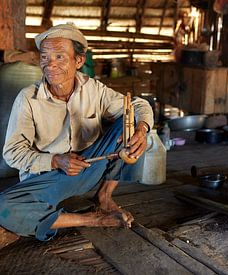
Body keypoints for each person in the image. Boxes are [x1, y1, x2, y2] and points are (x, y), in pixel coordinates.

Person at [0, 23, 154, 245]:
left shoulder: (93, 88)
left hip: (91, 166)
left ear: (79, 61)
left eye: (60, 57)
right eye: (45, 57)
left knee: (129, 121)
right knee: (4, 207)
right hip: (49, 178)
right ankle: (92, 220)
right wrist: (55, 160)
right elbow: (13, 154)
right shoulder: (28, 98)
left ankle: (104, 196)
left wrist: (142, 130)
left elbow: (139, 105)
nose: (50, 64)